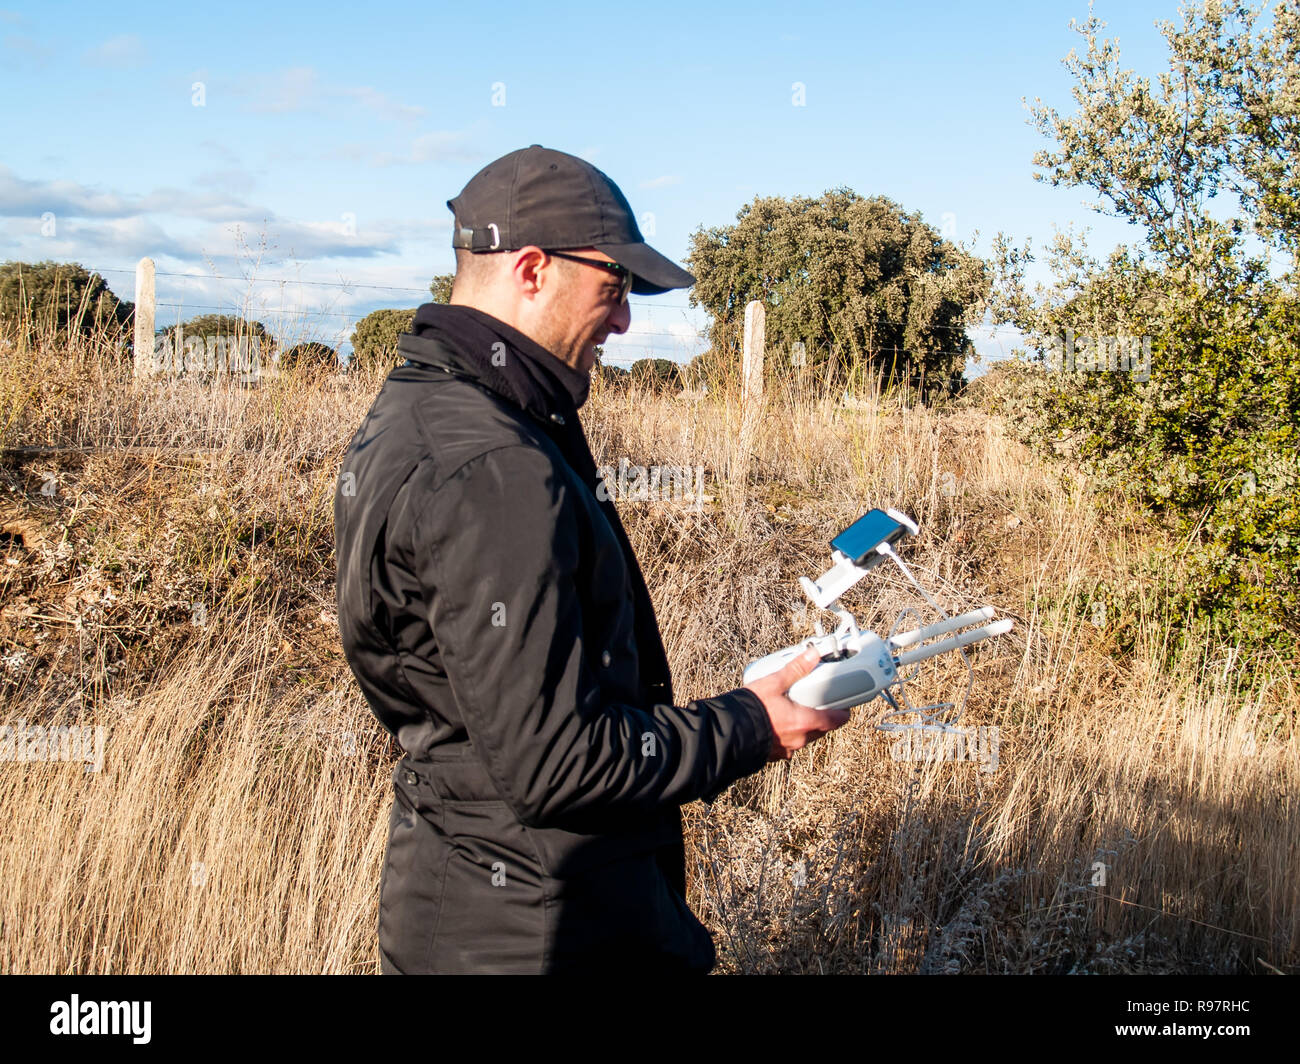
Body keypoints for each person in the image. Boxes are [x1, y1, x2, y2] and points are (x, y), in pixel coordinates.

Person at [333, 144, 850, 974]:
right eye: (613, 288)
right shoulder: (493, 464)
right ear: (532, 269)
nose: (623, 322)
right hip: (544, 934)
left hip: (475, 908)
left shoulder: (424, 410)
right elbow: (557, 763)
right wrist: (756, 724)